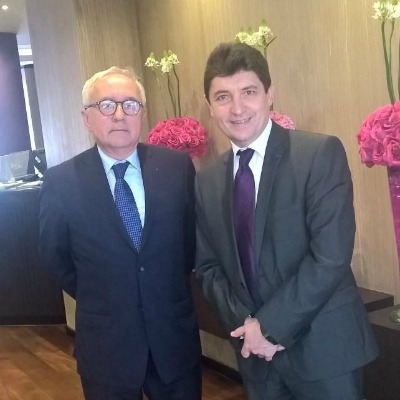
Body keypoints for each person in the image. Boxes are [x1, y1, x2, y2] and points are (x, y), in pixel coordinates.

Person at [195, 42, 378, 400]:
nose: (237, 108)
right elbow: (208, 267)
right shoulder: (207, 180)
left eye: (249, 92)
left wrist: (268, 327)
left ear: (270, 94)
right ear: (210, 106)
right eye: (223, 97)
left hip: (324, 353)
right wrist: (249, 329)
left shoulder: (318, 154)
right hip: (257, 360)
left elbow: (330, 257)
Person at [39, 66, 201, 400]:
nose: (118, 114)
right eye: (106, 105)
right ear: (87, 117)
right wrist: (104, 294)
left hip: (173, 338)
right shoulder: (62, 182)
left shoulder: (177, 168)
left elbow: (188, 245)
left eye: (130, 104)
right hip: (106, 344)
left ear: (142, 113)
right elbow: (56, 257)